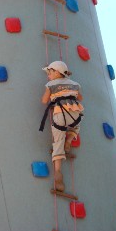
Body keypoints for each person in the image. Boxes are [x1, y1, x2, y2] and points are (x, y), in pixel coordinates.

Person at [39, 61, 84, 192]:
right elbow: (80, 97)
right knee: (76, 126)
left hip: (60, 114)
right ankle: (69, 140)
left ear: (58, 72)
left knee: (57, 142)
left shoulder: (50, 84)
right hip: (75, 114)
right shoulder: (75, 84)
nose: (48, 76)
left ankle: (58, 172)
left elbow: (44, 101)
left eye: (50, 72)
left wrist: (54, 95)